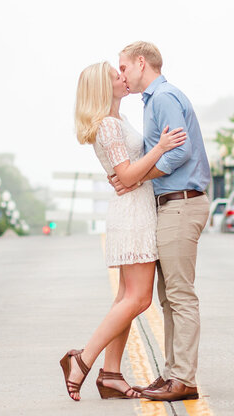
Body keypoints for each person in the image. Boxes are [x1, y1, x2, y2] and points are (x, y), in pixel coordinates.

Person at [59, 61, 187, 402]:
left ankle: (111, 375)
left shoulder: (117, 121)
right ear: (104, 87)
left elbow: (126, 173)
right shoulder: (108, 127)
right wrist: (160, 148)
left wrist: (132, 171)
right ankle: (82, 360)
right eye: (116, 75)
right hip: (133, 215)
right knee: (138, 298)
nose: (122, 77)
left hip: (134, 209)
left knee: (125, 299)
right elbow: (128, 176)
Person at [112, 41, 211, 403]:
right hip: (171, 204)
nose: (121, 74)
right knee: (168, 297)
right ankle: (173, 374)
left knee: (180, 296)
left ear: (141, 63)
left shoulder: (164, 97)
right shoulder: (154, 101)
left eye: (123, 67)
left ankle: (183, 378)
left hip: (182, 203)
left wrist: (137, 178)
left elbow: (180, 151)